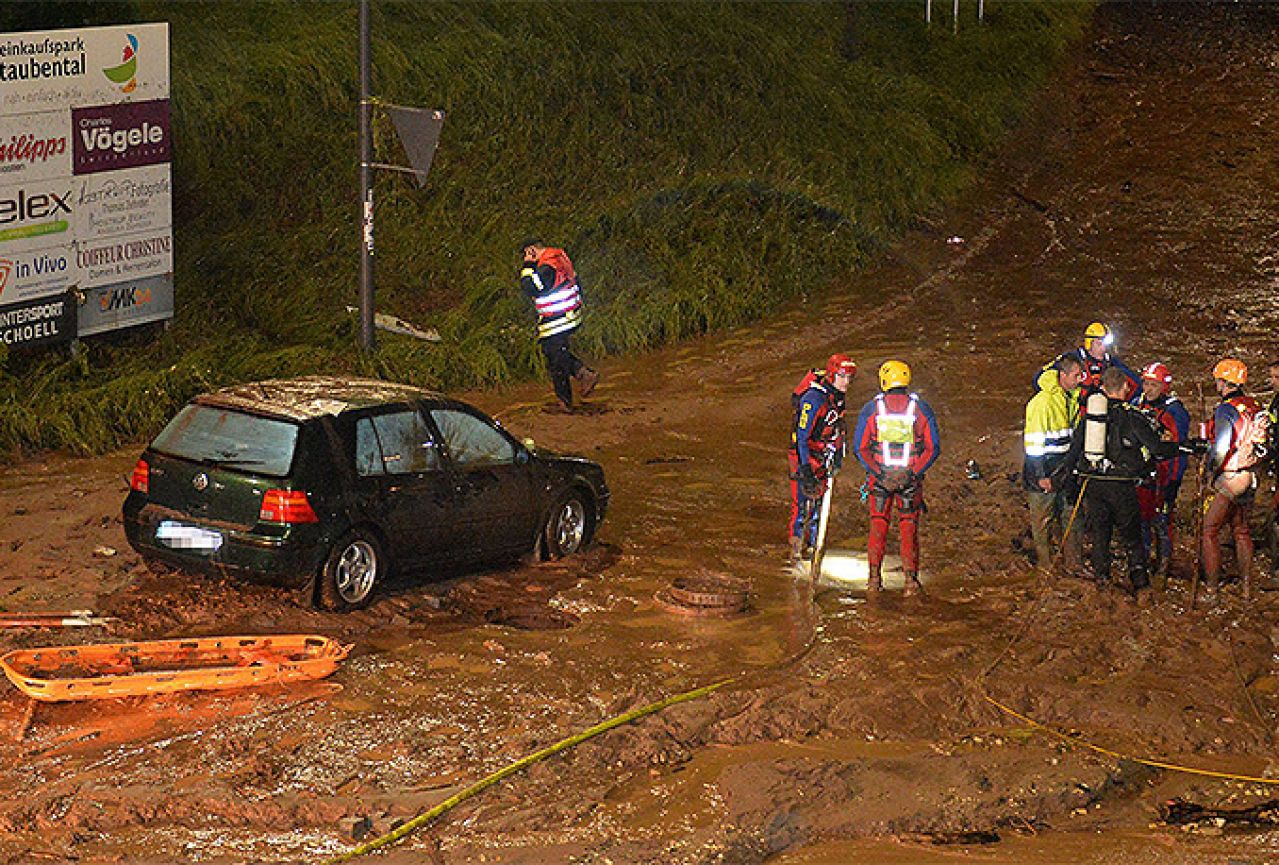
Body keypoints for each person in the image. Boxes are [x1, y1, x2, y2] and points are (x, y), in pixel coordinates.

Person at [1063, 367, 1179, 602]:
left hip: (1094, 485)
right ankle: (1141, 585)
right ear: (1126, 387)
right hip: (1123, 486)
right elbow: (1157, 449)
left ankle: (1102, 581)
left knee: (1100, 535)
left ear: (1103, 388)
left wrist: (1067, 484)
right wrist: (1187, 447)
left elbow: (1073, 452)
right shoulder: (1133, 417)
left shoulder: (1091, 417)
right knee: (1132, 538)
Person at [853, 360, 941, 596]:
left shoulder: (871, 409)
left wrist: (879, 472)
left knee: (878, 527)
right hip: (910, 481)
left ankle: (873, 581)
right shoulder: (921, 409)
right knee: (908, 529)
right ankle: (910, 582)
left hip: (880, 480)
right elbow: (933, 448)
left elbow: (860, 448)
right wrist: (912, 473)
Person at [1202, 358, 1268, 600]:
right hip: (1251, 475)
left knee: (1209, 530)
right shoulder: (1254, 405)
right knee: (1241, 531)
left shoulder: (1226, 409)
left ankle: (1211, 588)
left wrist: (1210, 471)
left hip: (1231, 477)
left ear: (1224, 382)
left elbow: (1221, 448)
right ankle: (1247, 588)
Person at [1023, 354, 1088, 573]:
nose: (1081, 379)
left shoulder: (1072, 399)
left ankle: (1073, 564)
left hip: (1065, 469)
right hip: (1044, 471)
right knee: (1043, 522)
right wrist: (1042, 476)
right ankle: (1046, 567)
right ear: (1063, 375)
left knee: (1073, 516)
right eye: (1076, 375)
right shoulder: (1042, 404)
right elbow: (1033, 445)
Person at [789, 354, 857, 561]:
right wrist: (805, 468)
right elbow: (802, 436)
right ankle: (795, 549)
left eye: (849, 378)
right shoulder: (814, 398)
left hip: (824, 454)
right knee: (801, 505)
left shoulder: (837, 397)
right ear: (832, 375)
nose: (846, 383)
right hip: (804, 454)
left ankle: (814, 547)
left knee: (818, 507)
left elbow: (838, 427)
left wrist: (837, 455)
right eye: (842, 377)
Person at [519, 239, 599, 411]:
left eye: (526, 253)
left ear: (532, 250)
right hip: (569, 314)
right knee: (556, 354)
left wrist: (527, 266)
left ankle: (566, 401)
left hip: (557, 319)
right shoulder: (559, 257)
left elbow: (531, 287)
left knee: (556, 360)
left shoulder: (547, 266)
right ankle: (582, 375)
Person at [1135, 362, 1191, 579]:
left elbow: (1178, 448)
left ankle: (1163, 563)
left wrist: (1173, 480)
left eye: (1153, 385)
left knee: (1162, 518)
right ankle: (1145, 559)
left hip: (1165, 475)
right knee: (1142, 517)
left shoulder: (1174, 411)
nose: (1147, 389)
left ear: (1163, 387)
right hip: (1143, 473)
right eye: (1145, 384)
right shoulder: (1139, 404)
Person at [1034, 322, 1139, 401]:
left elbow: (1136, 384)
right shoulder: (1072, 358)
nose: (1103, 349)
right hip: (1075, 411)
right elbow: (1039, 379)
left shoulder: (1111, 362)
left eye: (1106, 345)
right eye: (1099, 344)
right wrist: (1060, 397)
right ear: (1090, 343)